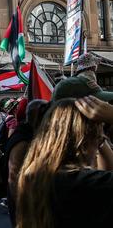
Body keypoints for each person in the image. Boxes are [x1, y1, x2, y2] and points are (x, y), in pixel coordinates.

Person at [17, 96, 113, 228]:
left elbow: (106, 171)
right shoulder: (84, 183)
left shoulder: (34, 172)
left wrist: (99, 137)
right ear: (85, 139)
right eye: (98, 138)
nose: (98, 145)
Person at [4, 99, 49, 225]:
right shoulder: (22, 140)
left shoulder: (31, 134)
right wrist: (23, 209)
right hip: (25, 206)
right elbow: (13, 177)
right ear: (37, 116)